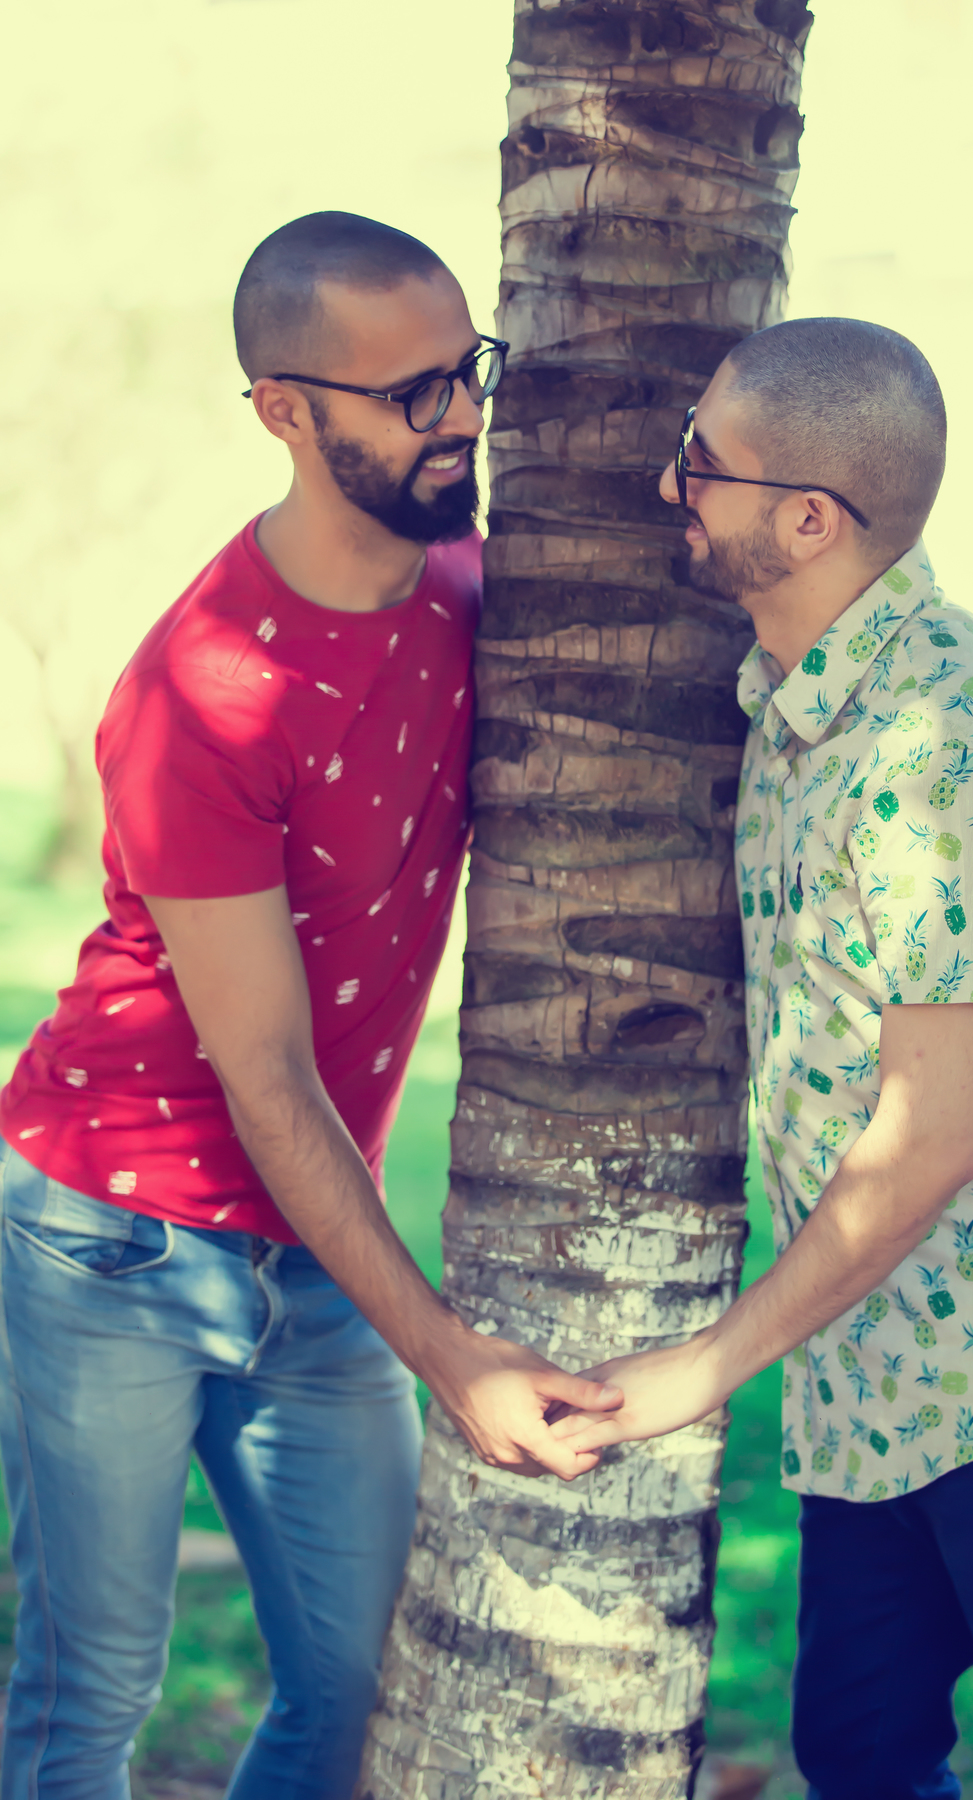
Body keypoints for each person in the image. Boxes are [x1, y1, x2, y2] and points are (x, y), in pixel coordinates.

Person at [0, 211, 619, 1800]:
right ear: (282, 409)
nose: (461, 417)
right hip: (113, 1241)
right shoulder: (202, 695)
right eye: (410, 394)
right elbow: (267, 1074)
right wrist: (453, 1358)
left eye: (467, 371)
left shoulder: (471, 591)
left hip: (315, 1249)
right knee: (92, 1694)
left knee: (361, 1685)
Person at [551, 317, 973, 1798]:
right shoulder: (794, 707)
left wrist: (698, 1372)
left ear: (809, 520)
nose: (669, 484)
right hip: (873, 1376)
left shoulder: (946, 742)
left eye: (701, 461)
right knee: (859, 1751)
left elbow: (931, 1139)